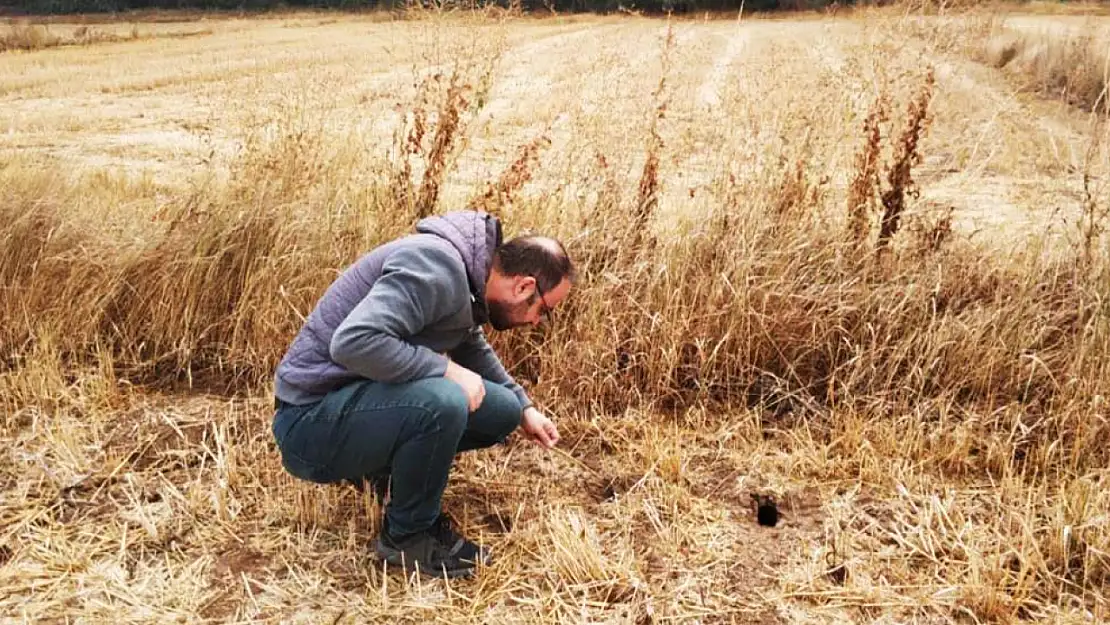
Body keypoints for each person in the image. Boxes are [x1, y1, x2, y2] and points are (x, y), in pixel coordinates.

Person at [270, 209, 574, 579]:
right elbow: (352, 342)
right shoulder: (435, 266)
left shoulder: (468, 280)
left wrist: (524, 407)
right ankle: (407, 538)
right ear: (524, 286)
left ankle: (388, 474)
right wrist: (445, 369)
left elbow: (469, 346)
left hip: (354, 405)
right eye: (543, 310)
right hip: (308, 424)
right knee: (443, 401)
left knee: (503, 410)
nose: (537, 322)